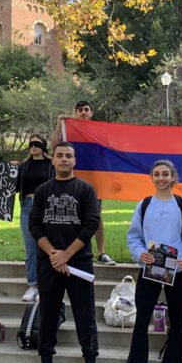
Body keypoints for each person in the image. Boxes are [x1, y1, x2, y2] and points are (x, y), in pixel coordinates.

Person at [24, 141, 107, 363]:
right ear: (53, 160)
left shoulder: (85, 189)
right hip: (49, 263)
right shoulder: (42, 191)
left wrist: (67, 255)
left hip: (79, 262)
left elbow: (91, 223)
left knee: (85, 317)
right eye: (59, 155)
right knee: (48, 315)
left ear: (74, 160)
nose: (63, 159)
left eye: (68, 156)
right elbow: (35, 224)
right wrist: (53, 253)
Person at [119, 160, 182, 363]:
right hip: (149, 270)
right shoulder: (143, 206)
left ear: (174, 177)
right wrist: (139, 255)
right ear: (151, 178)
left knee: (176, 322)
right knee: (141, 321)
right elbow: (134, 238)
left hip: (177, 273)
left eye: (166, 174)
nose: (161, 178)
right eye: (157, 174)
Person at [51, 100, 116, 266]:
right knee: (71, 214)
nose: (83, 113)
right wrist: (59, 123)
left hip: (95, 180)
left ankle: (101, 253)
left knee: (96, 215)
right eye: (80, 110)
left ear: (91, 113)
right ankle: (72, 251)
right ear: (76, 113)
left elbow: (108, 154)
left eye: (86, 110)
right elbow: (54, 146)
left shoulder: (99, 131)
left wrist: (112, 179)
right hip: (73, 180)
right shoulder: (70, 130)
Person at [16, 133, 53, 302]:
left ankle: (45, 286)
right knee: (31, 249)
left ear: (44, 145)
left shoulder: (51, 165)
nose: (34, 146)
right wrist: (10, 171)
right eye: (31, 144)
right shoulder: (24, 166)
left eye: (37, 143)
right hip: (27, 207)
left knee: (46, 247)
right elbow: (14, 187)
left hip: (46, 207)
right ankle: (32, 285)